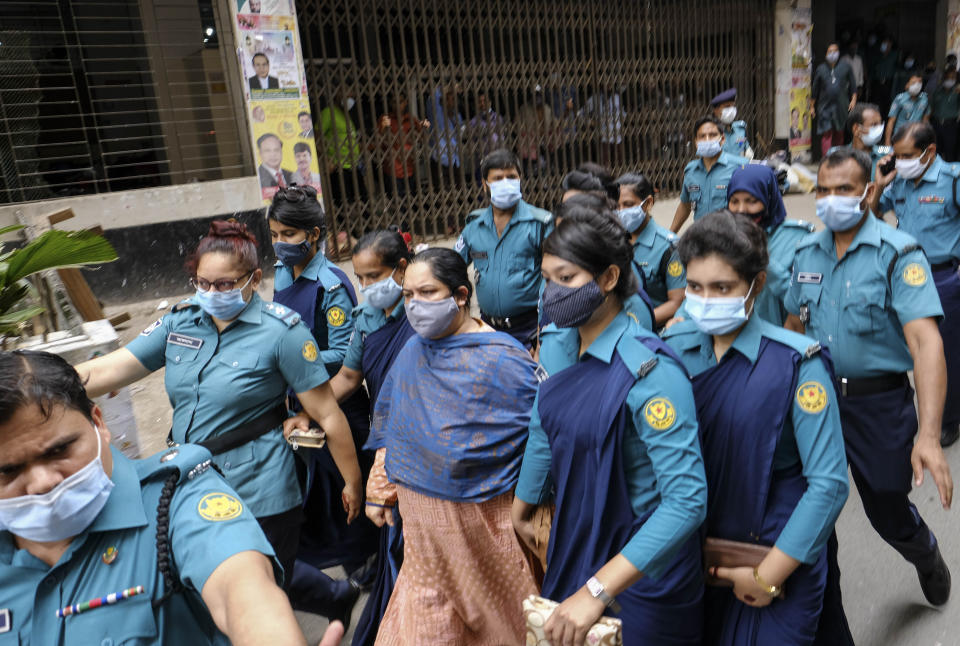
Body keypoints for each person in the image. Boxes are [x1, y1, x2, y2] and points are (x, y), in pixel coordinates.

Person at [76, 220, 364, 588]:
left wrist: (353, 483)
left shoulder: (282, 332)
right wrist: (41, 381)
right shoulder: (180, 323)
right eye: (203, 283)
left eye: (225, 284)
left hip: (262, 492)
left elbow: (328, 412)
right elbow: (110, 369)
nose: (212, 292)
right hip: (193, 486)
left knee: (260, 591)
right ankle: (334, 596)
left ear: (254, 278)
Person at [0, 350, 336, 646]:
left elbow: (244, 594)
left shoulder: (174, 501)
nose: (42, 482)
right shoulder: (178, 328)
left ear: (98, 422)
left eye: (60, 450)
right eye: (8, 471)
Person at [513, 210, 707, 646]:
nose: (551, 293)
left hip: (639, 571)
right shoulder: (559, 345)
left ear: (608, 278)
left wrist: (597, 589)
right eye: (546, 278)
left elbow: (686, 501)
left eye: (565, 278)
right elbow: (545, 427)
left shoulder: (649, 372)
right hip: (576, 544)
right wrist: (521, 510)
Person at [661, 211, 850, 645]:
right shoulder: (670, 352)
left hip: (775, 549)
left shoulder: (798, 364)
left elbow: (829, 484)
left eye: (722, 288)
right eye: (694, 287)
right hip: (695, 553)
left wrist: (767, 577)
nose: (705, 300)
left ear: (757, 285)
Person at [786, 148, 953, 608]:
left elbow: (926, 344)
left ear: (868, 192)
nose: (830, 199)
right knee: (807, 506)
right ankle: (822, 607)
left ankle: (924, 552)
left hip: (877, 404)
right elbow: (793, 329)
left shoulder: (898, 254)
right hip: (815, 400)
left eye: (843, 189)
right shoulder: (804, 253)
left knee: (886, 505)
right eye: (823, 189)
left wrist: (930, 436)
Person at [365, 248, 539, 644]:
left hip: (482, 529)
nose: (415, 305)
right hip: (423, 537)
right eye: (408, 295)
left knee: (500, 626)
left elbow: (543, 439)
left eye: (427, 292)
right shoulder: (412, 351)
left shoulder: (504, 358)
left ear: (460, 295)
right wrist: (380, 489)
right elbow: (395, 425)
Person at [286, 229, 416, 646]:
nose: (366, 287)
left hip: (423, 433)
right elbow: (347, 377)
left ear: (401, 269)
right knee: (391, 523)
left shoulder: (423, 311)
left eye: (374, 276)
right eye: (360, 278)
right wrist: (308, 411)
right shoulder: (366, 319)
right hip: (386, 434)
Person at [267, 186, 376, 619]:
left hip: (336, 403)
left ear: (313, 235)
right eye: (274, 232)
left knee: (350, 494)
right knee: (319, 499)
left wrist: (293, 353)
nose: (279, 242)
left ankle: (369, 574)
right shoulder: (280, 273)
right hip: (299, 404)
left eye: (289, 233)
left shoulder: (332, 284)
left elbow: (344, 349)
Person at [872, 122, 960, 447]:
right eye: (897, 156)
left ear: (930, 151)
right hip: (906, 277)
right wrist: (880, 185)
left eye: (907, 155)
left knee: (944, 351)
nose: (901, 161)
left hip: (943, 277)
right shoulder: (900, 181)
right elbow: (870, 216)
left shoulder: (952, 179)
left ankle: (948, 419)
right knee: (906, 348)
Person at [456, 148, 554, 347]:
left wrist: (542, 331)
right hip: (486, 329)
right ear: (485, 185)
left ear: (520, 180)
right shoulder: (474, 227)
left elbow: (553, 279)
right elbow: (451, 267)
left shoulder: (540, 224)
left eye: (511, 177)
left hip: (529, 330)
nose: (506, 183)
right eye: (498, 178)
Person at [726, 164, 814, 325]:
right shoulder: (722, 235)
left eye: (751, 201)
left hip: (778, 337)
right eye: (734, 201)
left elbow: (806, 301)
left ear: (769, 199)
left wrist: (764, 261)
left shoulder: (799, 238)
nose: (741, 210)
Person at [615, 172, 685, 326]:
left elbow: (677, 302)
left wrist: (636, 323)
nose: (621, 211)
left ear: (648, 203)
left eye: (627, 204)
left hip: (654, 332)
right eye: (616, 206)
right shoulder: (613, 241)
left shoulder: (669, 247)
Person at [670, 116, 749, 232]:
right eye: (702, 136)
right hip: (701, 236)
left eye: (712, 135)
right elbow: (685, 205)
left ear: (722, 139)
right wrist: (670, 234)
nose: (707, 140)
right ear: (696, 142)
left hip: (731, 238)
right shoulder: (691, 171)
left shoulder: (741, 167)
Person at [319, 89, 367, 207]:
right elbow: (316, 137)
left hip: (354, 165)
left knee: (363, 200)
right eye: (347, 93)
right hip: (338, 166)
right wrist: (327, 160)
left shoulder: (346, 115)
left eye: (352, 95)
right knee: (344, 203)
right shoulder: (328, 113)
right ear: (337, 94)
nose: (350, 97)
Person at [376, 92, 429, 200]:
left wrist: (423, 127)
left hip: (410, 168)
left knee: (412, 200)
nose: (397, 105)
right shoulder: (385, 120)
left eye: (400, 102)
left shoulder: (411, 119)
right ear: (390, 104)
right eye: (394, 102)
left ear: (405, 103)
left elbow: (423, 137)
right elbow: (378, 141)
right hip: (393, 170)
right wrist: (383, 128)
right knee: (398, 202)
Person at [810, 43, 858, 158]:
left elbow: (853, 85)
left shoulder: (846, 66)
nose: (833, 54)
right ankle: (826, 160)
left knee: (839, 133)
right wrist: (812, 106)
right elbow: (815, 89)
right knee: (826, 134)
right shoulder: (821, 69)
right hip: (824, 107)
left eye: (835, 51)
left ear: (839, 52)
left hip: (841, 106)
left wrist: (853, 100)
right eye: (830, 51)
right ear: (826, 54)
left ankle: (837, 159)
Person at [831, 102, 886, 179]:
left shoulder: (887, 155)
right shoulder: (835, 155)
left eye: (880, 124)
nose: (880, 129)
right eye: (874, 125)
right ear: (856, 128)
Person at [427, 81, 465, 193]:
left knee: (458, 192)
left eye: (453, 99)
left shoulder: (457, 116)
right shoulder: (436, 114)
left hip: (455, 160)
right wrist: (450, 87)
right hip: (440, 160)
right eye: (448, 99)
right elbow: (433, 96)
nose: (451, 103)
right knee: (442, 194)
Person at [885, 74, 931, 145]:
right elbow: (891, 121)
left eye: (919, 83)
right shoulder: (900, 99)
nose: (917, 85)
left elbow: (926, 121)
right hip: (900, 135)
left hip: (917, 136)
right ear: (907, 85)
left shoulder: (925, 99)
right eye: (913, 83)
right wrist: (887, 142)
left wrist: (926, 139)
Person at [710, 87, 752, 158]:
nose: (731, 110)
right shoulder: (709, 133)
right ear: (716, 110)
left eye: (733, 106)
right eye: (727, 106)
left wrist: (748, 150)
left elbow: (745, 147)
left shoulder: (740, 129)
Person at [931, 66, 960, 162]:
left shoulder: (957, 92)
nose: (950, 80)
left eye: (952, 78)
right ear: (943, 78)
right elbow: (931, 108)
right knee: (936, 150)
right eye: (948, 78)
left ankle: (951, 174)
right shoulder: (937, 92)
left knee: (950, 151)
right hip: (936, 124)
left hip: (951, 125)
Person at [869, 36, 898, 116]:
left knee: (888, 105)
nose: (886, 45)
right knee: (877, 105)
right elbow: (872, 69)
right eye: (884, 43)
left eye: (888, 43)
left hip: (889, 83)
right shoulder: (876, 55)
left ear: (891, 44)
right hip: (877, 83)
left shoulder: (894, 55)